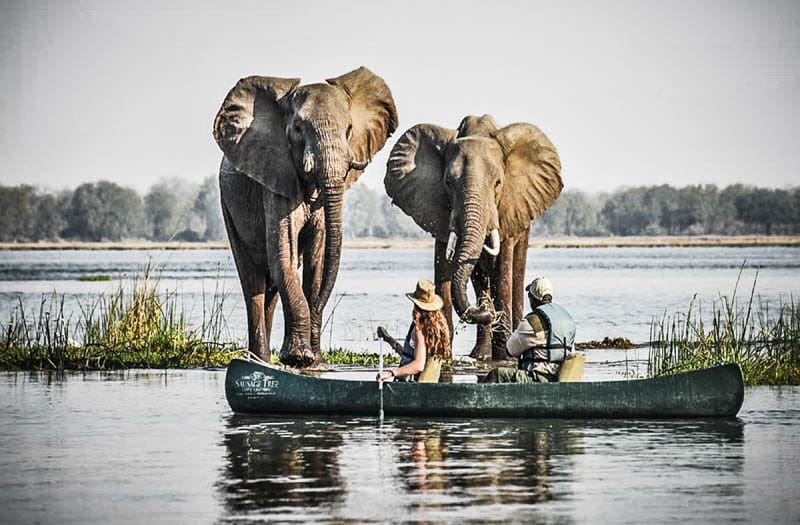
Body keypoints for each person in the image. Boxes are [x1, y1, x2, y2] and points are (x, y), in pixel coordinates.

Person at [482, 276, 576, 383]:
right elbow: (572, 353)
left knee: (495, 374)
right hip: (561, 378)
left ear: (533, 299)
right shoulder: (566, 319)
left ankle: (480, 399)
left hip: (538, 379)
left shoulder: (532, 322)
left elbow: (511, 350)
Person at [376, 279, 451, 382]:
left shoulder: (419, 329)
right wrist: (389, 339)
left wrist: (391, 373)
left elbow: (418, 365)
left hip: (410, 386)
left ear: (416, 304)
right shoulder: (439, 327)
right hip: (429, 386)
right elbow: (411, 355)